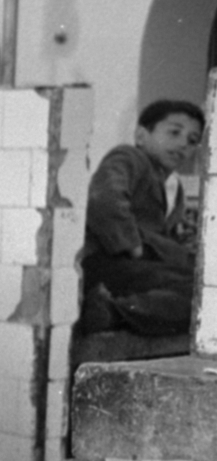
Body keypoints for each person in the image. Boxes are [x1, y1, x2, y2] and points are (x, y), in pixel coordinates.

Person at [78, 99, 205, 337]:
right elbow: (104, 199)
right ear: (141, 135)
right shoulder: (128, 157)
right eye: (174, 132)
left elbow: (163, 235)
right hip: (106, 260)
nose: (182, 144)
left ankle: (111, 311)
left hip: (137, 271)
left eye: (192, 140)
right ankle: (114, 310)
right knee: (203, 294)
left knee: (205, 289)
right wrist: (132, 245)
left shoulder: (174, 188)